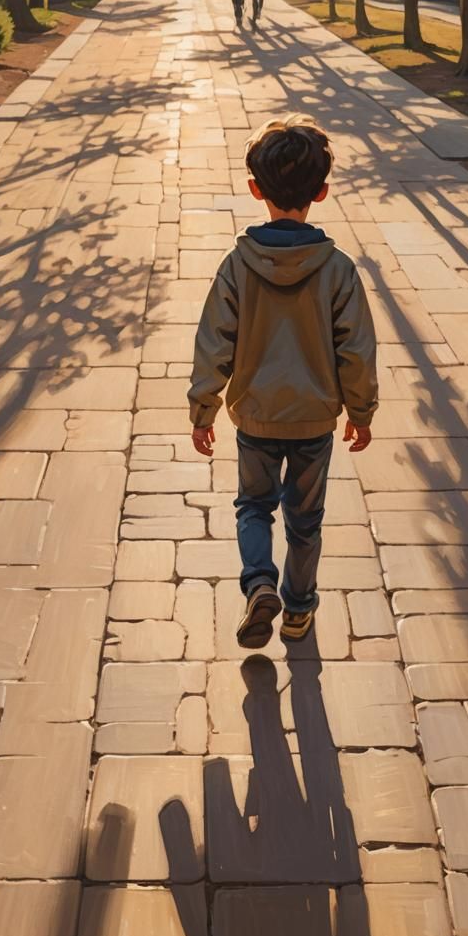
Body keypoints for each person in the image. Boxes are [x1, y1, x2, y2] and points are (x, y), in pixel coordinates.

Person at [187, 114, 378, 650]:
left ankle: (259, 583)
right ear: (321, 192)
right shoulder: (337, 269)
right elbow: (357, 352)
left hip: (255, 412)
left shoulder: (238, 266)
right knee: (305, 518)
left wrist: (203, 408)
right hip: (315, 419)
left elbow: (213, 341)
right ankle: (297, 610)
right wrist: (361, 413)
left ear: (255, 189)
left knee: (253, 505)